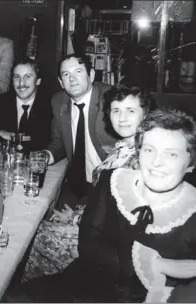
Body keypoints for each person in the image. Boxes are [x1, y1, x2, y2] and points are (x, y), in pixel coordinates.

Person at [9, 107, 196, 303]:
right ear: (139, 153)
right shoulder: (113, 182)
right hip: (84, 285)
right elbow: (89, 247)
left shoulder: (191, 211)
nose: (157, 162)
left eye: (172, 154)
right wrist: (158, 265)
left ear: (190, 163)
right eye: (149, 150)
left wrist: (160, 268)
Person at [23, 85, 157, 281]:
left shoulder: (141, 159)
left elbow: (122, 219)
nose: (122, 118)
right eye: (116, 110)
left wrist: (77, 220)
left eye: (130, 111)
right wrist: (76, 213)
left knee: (39, 234)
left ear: (145, 115)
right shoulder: (122, 146)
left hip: (111, 245)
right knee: (41, 223)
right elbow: (103, 199)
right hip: (96, 224)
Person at [46, 53, 117, 209]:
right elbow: (59, 142)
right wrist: (45, 156)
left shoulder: (111, 99)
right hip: (77, 186)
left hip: (112, 185)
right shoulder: (58, 101)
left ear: (91, 75)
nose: (72, 79)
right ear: (60, 82)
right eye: (66, 74)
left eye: (78, 72)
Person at [0, 57, 51, 151]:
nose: (21, 83)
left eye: (27, 77)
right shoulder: (0, 102)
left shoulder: (49, 104)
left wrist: (10, 136)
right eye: (17, 77)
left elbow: (46, 140)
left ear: (38, 81)